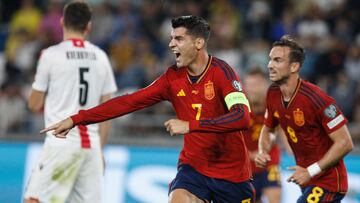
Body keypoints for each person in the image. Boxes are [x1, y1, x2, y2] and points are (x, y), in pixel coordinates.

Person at [42, 15, 255, 203]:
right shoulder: (172, 78)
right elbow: (128, 102)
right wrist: (77, 119)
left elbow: (242, 118)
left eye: (179, 39)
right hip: (194, 169)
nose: (171, 44)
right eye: (171, 38)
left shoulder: (223, 73)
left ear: (199, 43)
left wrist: (191, 125)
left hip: (232, 174)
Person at [24, 1, 117, 203]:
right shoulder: (101, 57)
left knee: (33, 200)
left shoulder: (50, 55)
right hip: (91, 147)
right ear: (89, 26)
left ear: (62, 22)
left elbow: (34, 104)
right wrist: (100, 150)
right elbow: (108, 110)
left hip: (61, 144)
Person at [255, 35, 353, 203]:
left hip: (329, 182)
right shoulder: (272, 93)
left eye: (277, 60)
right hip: (307, 181)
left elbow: (345, 143)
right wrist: (263, 151)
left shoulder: (316, 99)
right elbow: (269, 128)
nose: (270, 65)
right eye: (270, 59)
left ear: (294, 66)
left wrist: (310, 171)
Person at [243, 68, 281, 203]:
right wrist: (250, 155)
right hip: (245, 166)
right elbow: (229, 142)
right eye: (249, 85)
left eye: (256, 85)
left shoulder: (274, 104)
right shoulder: (239, 108)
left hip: (269, 161)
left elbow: (282, 130)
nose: (252, 89)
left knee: (275, 197)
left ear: (264, 85)